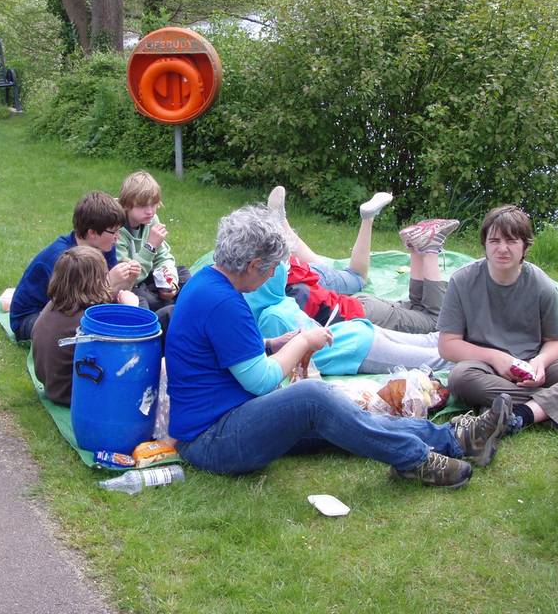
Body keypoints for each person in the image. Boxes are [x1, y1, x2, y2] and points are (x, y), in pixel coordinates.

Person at [164, 205, 514, 487]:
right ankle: (414, 460)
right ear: (253, 264)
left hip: (223, 424)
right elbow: (260, 381)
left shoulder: (209, 284)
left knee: (342, 418)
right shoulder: (223, 302)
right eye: (271, 269)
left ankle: (457, 439)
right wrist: (302, 340)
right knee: (314, 397)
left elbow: (223, 352)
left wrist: (273, 343)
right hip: (213, 440)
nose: (272, 277)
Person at [437, 206, 558, 433]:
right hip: (485, 369)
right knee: (460, 378)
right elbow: (447, 344)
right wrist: (496, 358)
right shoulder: (462, 281)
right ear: (484, 244)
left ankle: (519, 410)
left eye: (511, 241)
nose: (502, 249)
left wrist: (540, 362)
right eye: (494, 241)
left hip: (532, 367)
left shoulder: (542, 286)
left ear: (525, 246)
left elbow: (556, 340)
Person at [267, 186, 459, 333]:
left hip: (362, 311)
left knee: (426, 315)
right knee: (427, 315)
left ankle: (424, 249)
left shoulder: (282, 293)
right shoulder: (294, 283)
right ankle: (422, 249)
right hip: (362, 308)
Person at [244, 261, 446, 376]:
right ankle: (471, 345)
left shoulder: (270, 317)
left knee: (437, 360)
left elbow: (275, 370)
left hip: (355, 347)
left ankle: (474, 355)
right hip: (355, 330)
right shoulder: (283, 301)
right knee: (431, 342)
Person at [9, 191, 139, 341]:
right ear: (92, 233)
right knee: (85, 326)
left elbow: (106, 297)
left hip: (77, 307)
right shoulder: (64, 258)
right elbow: (71, 305)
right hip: (35, 317)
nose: (118, 236)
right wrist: (109, 281)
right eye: (113, 231)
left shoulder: (106, 246)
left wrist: (128, 281)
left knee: (137, 301)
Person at [32, 247, 138, 405]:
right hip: (76, 394)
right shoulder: (86, 323)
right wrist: (131, 310)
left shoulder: (56, 304)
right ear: (95, 282)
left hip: (55, 386)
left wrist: (126, 285)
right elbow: (127, 348)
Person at [116, 170, 190, 311]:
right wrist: (150, 246)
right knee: (144, 301)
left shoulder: (151, 220)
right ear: (126, 205)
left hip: (148, 275)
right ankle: (168, 313)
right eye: (143, 206)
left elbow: (162, 256)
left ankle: (176, 307)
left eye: (154, 204)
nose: (150, 211)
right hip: (130, 286)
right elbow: (128, 279)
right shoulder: (116, 230)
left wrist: (169, 281)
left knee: (184, 275)